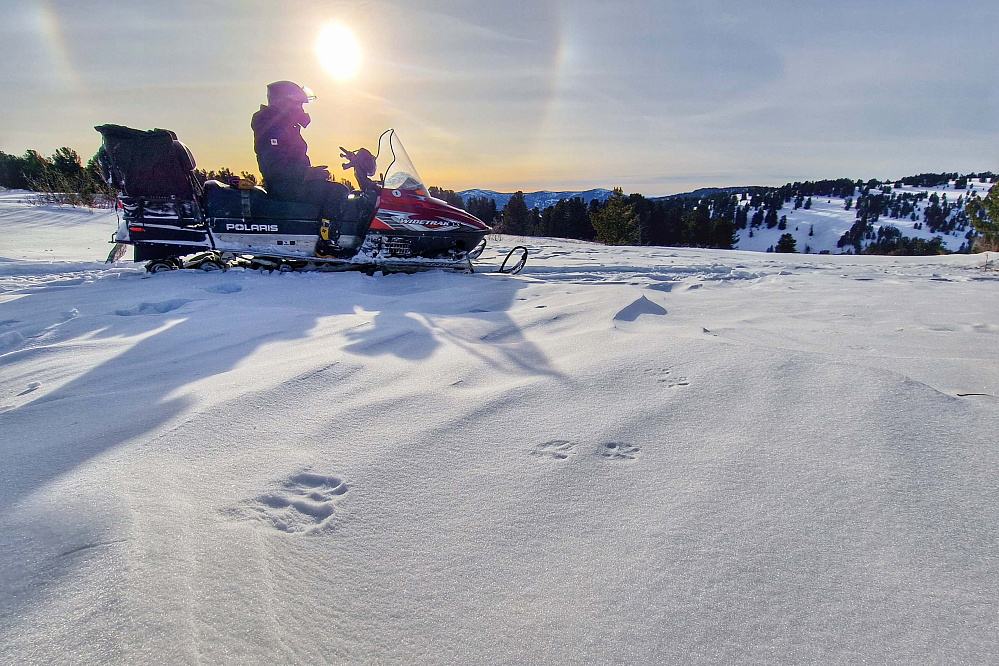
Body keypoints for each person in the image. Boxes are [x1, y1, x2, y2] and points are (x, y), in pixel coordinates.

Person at [251, 81, 377, 254]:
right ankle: (328, 244)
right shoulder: (272, 127)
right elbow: (275, 167)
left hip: (291, 181)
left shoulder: (283, 125)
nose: (302, 109)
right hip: (284, 186)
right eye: (299, 104)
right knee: (337, 191)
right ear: (285, 103)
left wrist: (310, 172)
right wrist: (308, 173)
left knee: (338, 190)